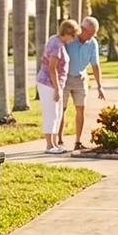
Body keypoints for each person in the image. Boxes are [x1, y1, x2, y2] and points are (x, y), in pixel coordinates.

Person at [58, 15, 105, 150]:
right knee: (62, 109)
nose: (91, 36)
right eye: (89, 33)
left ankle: (77, 142)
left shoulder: (93, 43)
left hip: (81, 78)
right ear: (83, 29)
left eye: (93, 34)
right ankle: (60, 141)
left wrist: (99, 86)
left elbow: (95, 65)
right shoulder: (70, 39)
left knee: (81, 109)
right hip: (65, 78)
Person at [36, 19, 81, 154]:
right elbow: (52, 68)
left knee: (57, 114)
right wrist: (57, 89)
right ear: (67, 33)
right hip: (49, 84)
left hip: (54, 84)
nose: (73, 39)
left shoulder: (57, 41)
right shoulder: (56, 45)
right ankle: (49, 145)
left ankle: (54, 144)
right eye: (72, 36)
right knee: (51, 114)